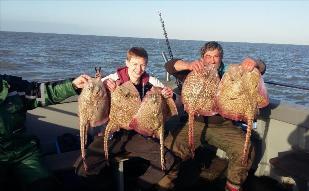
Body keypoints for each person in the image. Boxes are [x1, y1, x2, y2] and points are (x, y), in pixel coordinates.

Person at [163, 41, 266, 191]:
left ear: (221, 58)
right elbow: (170, 65)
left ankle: (233, 185)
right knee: (169, 147)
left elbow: (262, 68)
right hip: (195, 122)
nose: (212, 60)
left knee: (245, 149)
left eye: (216, 56)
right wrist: (188, 64)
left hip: (223, 126)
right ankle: (164, 184)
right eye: (208, 56)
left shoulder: (231, 74)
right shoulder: (194, 70)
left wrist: (254, 62)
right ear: (202, 58)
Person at [74, 47, 177, 190]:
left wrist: (168, 95)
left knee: (167, 159)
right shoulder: (111, 79)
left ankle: (138, 186)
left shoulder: (152, 82)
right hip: (111, 132)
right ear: (127, 63)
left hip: (137, 133)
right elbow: (87, 99)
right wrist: (103, 88)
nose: (138, 69)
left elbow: (172, 100)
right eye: (134, 64)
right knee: (83, 168)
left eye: (143, 65)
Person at [0, 74, 91, 191]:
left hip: (24, 153)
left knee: (46, 185)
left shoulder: (12, 86)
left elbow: (42, 93)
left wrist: (72, 85)